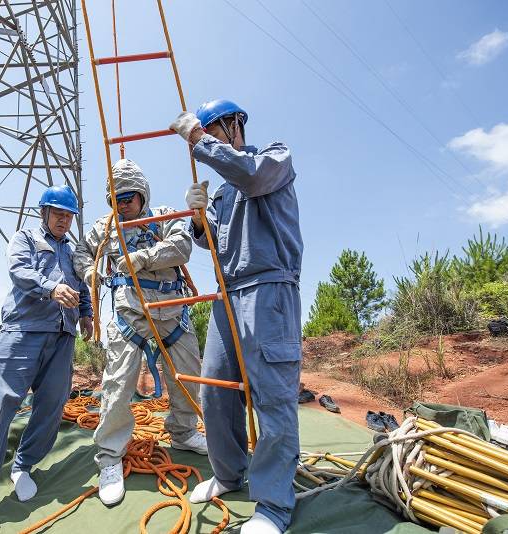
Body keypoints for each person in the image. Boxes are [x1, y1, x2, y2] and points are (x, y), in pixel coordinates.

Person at [170, 100, 303, 534]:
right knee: (216, 391)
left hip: (268, 290)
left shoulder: (273, 158)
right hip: (227, 296)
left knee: (271, 396)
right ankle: (229, 474)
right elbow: (218, 241)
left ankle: (274, 506)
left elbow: (250, 175)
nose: (208, 137)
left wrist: (195, 139)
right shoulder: (226, 190)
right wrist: (196, 221)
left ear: (233, 125)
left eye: (213, 130)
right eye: (204, 131)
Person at [73, 159, 207, 507]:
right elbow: (81, 253)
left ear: (143, 195)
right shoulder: (105, 228)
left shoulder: (162, 215)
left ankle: (183, 432)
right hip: (128, 315)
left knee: (188, 377)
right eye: (116, 200)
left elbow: (181, 247)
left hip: (173, 311)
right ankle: (110, 456)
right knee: (118, 386)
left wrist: (142, 258)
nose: (123, 205)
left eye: (129, 198)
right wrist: (91, 273)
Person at [0, 185, 93, 534]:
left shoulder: (75, 250)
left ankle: (23, 465)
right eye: (58, 213)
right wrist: (50, 288)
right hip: (22, 332)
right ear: (44, 212)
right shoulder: (25, 239)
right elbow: (19, 271)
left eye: (69, 215)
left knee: (52, 405)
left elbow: (83, 284)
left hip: (63, 337)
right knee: (2, 403)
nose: (65, 220)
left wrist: (87, 313)